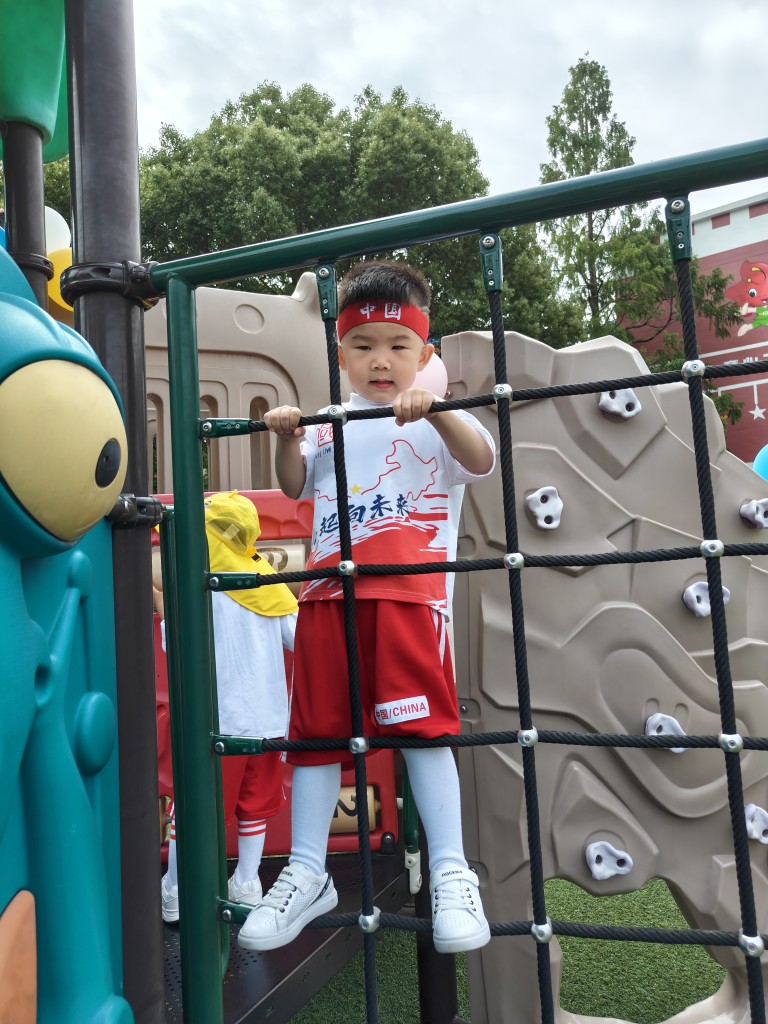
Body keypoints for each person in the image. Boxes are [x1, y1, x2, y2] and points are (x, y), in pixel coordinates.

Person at [239, 259, 496, 954]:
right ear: (342, 355)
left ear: (423, 351)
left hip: (409, 597)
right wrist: (286, 438)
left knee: (423, 733)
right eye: (363, 345)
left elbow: (480, 460)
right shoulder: (330, 424)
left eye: (397, 345)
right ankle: (307, 870)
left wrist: (436, 409)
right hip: (327, 595)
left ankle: (451, 871)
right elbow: (294, 487)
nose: (381, 360)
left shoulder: (438, 417)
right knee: (316, 735)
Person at [157, 490, 298, 923]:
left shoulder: (199, 585)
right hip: (268, 721)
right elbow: (301, 640)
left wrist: (161, 603)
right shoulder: (269, 585)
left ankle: (177, 888)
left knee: (194, 808)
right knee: (255, 807)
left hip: (214, 721)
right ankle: (248, 883)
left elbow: (173, 646)